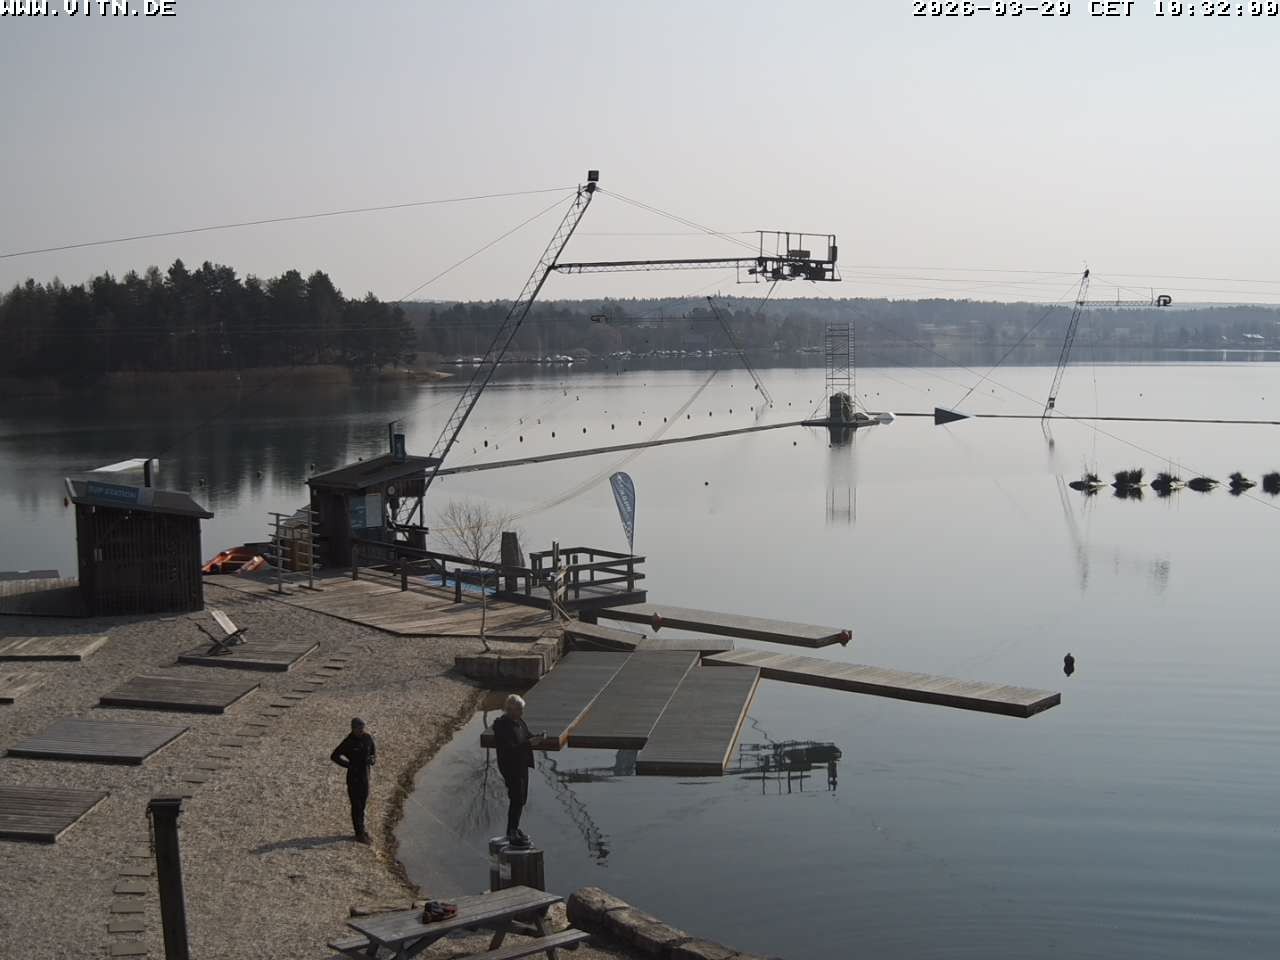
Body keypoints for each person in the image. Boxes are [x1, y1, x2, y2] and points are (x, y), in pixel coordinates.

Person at [492, 693, 536, 847]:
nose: (522, 713)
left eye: (522, 710)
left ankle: (515, 829)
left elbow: (526, 736)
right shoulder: (502, 726)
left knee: (522, 798)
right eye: (519, 710)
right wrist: (529, 743)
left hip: (522, 765)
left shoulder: (519, 722)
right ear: (510, 710)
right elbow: (510, 749)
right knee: (516, 798)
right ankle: (511, 832)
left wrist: (536, 738)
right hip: (511, 767)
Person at [331, 717, 376, 844]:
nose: (362, 730)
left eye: (363, 728)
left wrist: (372, 760)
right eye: (359, 728)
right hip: (353, 777)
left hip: (365, 776)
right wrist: (349, 765)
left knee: (363, 804)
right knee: (356, 806)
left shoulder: (367, 738)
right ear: (353, 728)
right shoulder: (348, 742)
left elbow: (372, 752)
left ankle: (362, 830)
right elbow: (334, 756)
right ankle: (359, 834)